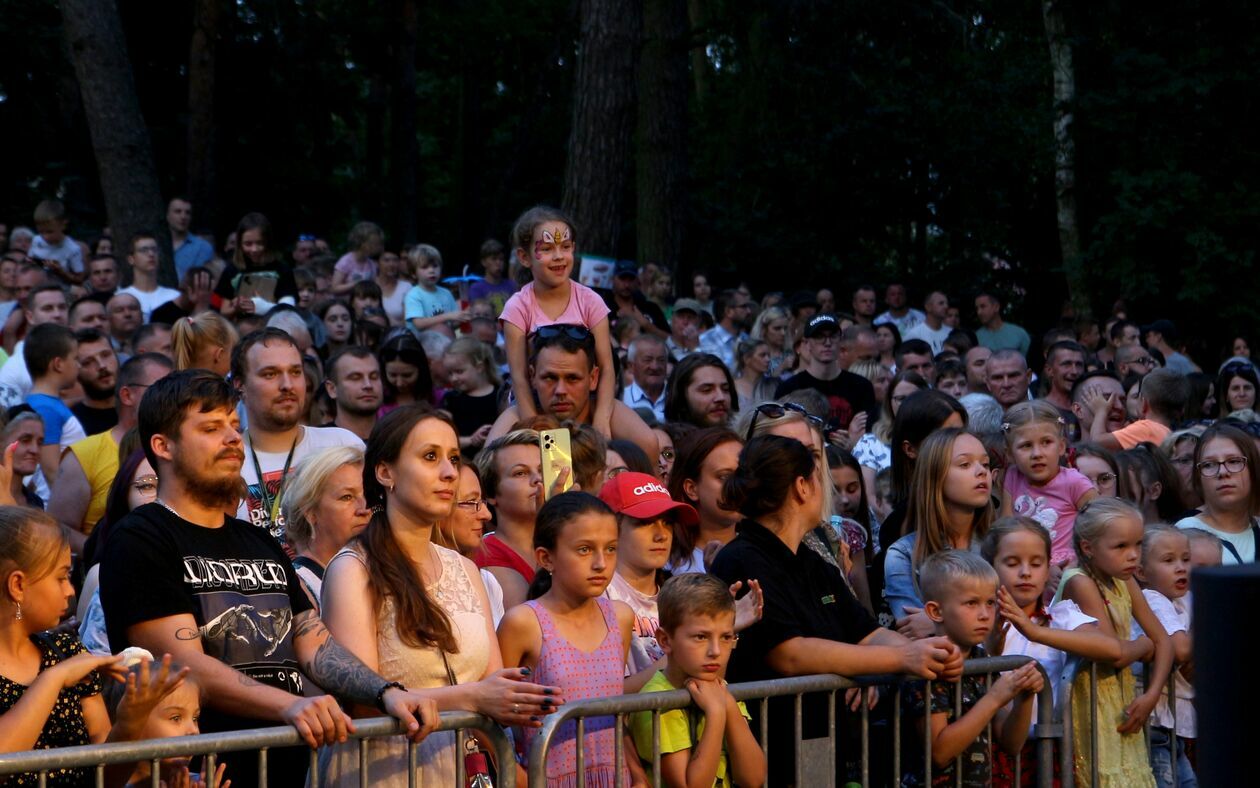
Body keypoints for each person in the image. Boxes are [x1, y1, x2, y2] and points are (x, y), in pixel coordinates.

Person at [100, 371, 441, 788]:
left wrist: (386, 692)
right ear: (162, 446)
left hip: (289, 768)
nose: (232, 438)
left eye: (233, 424)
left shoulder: (258, 539)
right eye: (211, 428)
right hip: (203, 775)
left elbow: (313, 642)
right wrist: (288, 705)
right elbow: (183, 664)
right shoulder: (140, 538)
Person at [709, 434, 963, 786]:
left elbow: (867, 632)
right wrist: (904, 658)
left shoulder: (812, 561)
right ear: (802, 487)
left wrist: (931, 652)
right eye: (819, 478)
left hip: (821, 745)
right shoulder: (742, 559)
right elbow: (789, 653)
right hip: (767, 751)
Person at [317, 407, 552, 787]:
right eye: (430, 457)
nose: (449, 473)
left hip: (460, 769)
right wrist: (472, 698)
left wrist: (519, 699)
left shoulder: (467, 569)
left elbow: (490, 683)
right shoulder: (353, 569)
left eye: (454, 459)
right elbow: (363, 704)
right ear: (385, 472)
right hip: (382, 772)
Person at [0, 507, 193, 785]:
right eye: (61, 577)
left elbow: (107, 778)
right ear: (17, 584)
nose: (70, 590)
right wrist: (54, 678)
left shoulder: (66, 651)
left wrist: (129, 722)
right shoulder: (65, 666)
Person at [496, 492, 637, 788]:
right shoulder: (524, 623)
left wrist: (637, 774)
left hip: (614, 777)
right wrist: (521, 778)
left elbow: (617, 710)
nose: (601, 563)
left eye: (611, 549)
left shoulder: (620, 617)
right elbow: (491, 717)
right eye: (584, 550)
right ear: (546, 558)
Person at [984, 517, 1137, 785]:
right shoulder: (980, 622)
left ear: (1048, 569)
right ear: (990, 568)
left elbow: (1111, 648)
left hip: (1050, 750)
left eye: (1036, 563)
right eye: (1012, 563)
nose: (1025, 572)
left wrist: (1033, 631)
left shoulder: (1061, 616)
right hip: (994, 752)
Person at [1053, 498, 1172, 788]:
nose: (1133, 555)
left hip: (1120, 697)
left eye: (1138, 544)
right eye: (1120, 546)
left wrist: (1152, 695)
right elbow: (1115, 653)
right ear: (1088, 548)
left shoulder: (1124, 579)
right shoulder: (1080, 582)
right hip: (1089, 701)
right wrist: (1143, 645)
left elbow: (1164, 641)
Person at [901, 550, 1043, 788]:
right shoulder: (926, 663)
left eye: (990, 603)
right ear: (936, 612)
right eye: (971, 603)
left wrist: (1024, 698)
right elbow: (940, 753)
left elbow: (1010, 743)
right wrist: (994, 698)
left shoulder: (981, 659)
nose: (985, 615)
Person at [628, 574, 766, 788]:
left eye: (726, 637)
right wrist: (717, 713)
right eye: (701, 637)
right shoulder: (657, 701)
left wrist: (728, 705)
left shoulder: (720, 690)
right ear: (665, 640)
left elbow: (754, 779)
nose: (716, 651)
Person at [234, 328, 364, 542]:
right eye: (270, 374)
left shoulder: (342, 444)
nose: (287, 385)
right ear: (240, 385)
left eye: (295, 372)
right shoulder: (227, 460)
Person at [499, 208, 618, 436]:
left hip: (587, 402)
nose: (558, 256)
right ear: (524, 257)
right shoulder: (517, 308)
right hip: (533, 403)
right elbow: (519, 377)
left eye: (565, 247)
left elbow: (607, 368)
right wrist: (535, 426)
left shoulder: (591, 301)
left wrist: (601, 420)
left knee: (648, 442)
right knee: (492, 451)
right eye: (546, 249)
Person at [49, 353, 173, 550]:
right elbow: (57, 526)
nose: (172, 398)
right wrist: (107, 553)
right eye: (160, 388)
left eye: (174, 390)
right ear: (127, 395)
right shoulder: (85, 454)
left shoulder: (182, 449)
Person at [485, 322, 658, 459]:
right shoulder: (514, 419)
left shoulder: (614, 418)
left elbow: (650, 451)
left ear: (593, 378)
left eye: (572, 378)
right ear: (532, 376)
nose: (560, 390)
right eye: (550, 378)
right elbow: (487, 468)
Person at [884, 428, 995, 636]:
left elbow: (1016, 622)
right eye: (965, 464)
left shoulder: (1002, 544)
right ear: (935, 477)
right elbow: (914, 630)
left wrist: (939, 623)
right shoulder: (903, 554)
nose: (982, 471)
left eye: (986, 464)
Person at [595, 471, 699, 678]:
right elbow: (610, 692)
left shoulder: (682, 594)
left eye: (667, 522)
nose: (661, 535)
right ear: (610, 529)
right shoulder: (599, 596)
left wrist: (725, 628)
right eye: (645, 522)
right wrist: (677, 661)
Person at [1133, 525, 1197, 788]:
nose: (1181, 568)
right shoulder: (1152, 598)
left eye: (1186, 559)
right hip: (1155, 722)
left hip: (1174, 722)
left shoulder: (1184, 598)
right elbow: (1181, 649)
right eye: (1169, 561)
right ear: (1141, 572)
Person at [1000, 401, 1098, 571]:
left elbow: (1101, 528)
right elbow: (1005, 529)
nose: (1037, 454)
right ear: (1009, 454)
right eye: (1026, 445)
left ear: (1061, 446)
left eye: (1046, 442)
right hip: (1025, 564)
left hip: (1068, 569)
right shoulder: (1013, 476)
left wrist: (1077, 565)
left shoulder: (1075, 482)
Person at [281, 446, 371, 610]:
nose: (364, 508)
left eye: (369, 495)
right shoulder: (297, 590)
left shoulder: (382, 573)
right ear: (310, 512)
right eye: (347, 497)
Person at [474, 429, 546, 609]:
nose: (538, 479)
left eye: (542, 470)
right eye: (520, 473)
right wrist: (551, 522)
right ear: (491, 494)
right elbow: (535, 617)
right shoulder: (487, 555)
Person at [431, 462, 506, 626]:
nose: (486, 515)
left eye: (482, 501)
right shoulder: (409, 582)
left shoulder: (487, 581)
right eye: (471, 502)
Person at [1175, 422, 1260, 564]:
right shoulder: (1183, 533)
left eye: (1233, 461)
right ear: (1198, 477)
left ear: (1252, 470)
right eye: (1209, 464)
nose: (1222, 472)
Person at [775, 313, 876, 431]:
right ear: (807, 344)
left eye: (833, 336)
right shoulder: (788, 388)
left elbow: (869, 433)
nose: (827, 342)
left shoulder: (862, 387)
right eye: (819, 337)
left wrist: (853, 440)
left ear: (840, 341)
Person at [666, 427, 742, 574]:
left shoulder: (764, 553)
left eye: (743, 475)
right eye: (724, 477)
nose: (738, 486)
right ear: (691, 489)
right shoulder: (664, 561)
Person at [23, 323, 84, 482]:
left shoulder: (47, 405)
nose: (79, 365)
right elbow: (51, 470)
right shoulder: (46, 409)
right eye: (75, 358)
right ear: (58, 364)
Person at [215, 213, 298, 318]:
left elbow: (288, 309)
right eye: (248, 244)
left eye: (260, 243)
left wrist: (262, 307)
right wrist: (237, 307)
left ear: (268, 242)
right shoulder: (232, 270)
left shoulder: (282, 269)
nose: (254, 249)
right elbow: (222, 310)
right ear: (240, 244)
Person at [0, 283, 70, 407]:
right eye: (48, 309)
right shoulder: (16, 368)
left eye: (62, 307)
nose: (57, 314)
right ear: (30, 317)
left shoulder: (79, 353)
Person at [1087, 367, 1188, 451]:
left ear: (1144, 404)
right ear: (1181, 410)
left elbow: (1097, 442)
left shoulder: (1146, 428)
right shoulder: (1170, 433)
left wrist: (1100, 411)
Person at [439, 337, 500, 453]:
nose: (453, 378)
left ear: (479, 367)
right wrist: (471, 440)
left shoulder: (500, 395)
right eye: (450, 373)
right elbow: (442, 437)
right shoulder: (451, 400)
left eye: (459, 371)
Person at [322, 347, 382, 442]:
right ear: (332, 389)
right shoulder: (317, 443)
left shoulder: (399, 439)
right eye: (355, 378)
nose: (368, 385)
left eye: (374, 377)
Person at [663, 353, 738, 428]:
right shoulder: (662, 435)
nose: (721, 397)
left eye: (725, 389)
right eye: (707, 390)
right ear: (681, 398)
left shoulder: (739, 434)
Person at [403, 244, 463, 337]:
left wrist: (464, 316)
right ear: (413, 273)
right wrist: (448, 316)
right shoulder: (413, 295)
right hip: (421, 343)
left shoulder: (446, 293)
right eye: (425, 267)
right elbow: (419, 324)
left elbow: (453, 323)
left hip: (447, 341)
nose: (431, 270)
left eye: (435, 266)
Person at [118, 232, 181, 322]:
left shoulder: (174, 297)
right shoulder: (121, 297)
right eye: (144, 250)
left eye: (154, 250)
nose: (151, 254)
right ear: (131, 259)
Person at [601, 259, 669, 338]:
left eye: (631, 279)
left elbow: (670, 340)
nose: (626, 285)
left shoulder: (651, 308)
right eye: (622, 279)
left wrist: (645, 324)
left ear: (637, 281)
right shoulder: (603, 309)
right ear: (613, 279)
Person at [70, 329, 119, 435]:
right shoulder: (72, 423)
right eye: (88, 362)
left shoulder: (141, 410)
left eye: (105, 355)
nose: (102, 366)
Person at [28, 199, 85, 286]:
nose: (45, 237)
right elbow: (29, 261)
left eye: (49, 232)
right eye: (41, 232)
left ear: (63, 225)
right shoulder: (36, 240)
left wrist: (61, 272)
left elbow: (79, 279)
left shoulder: (72, 249)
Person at [697, 289, 752, 370]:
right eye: (743, 307)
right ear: (728, 311)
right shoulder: (704, 340)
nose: (749, 311)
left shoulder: (747, 339)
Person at [0, 409, 45, 508]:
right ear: (1, 442)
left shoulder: (36, 503)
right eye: (25, 440)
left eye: (40, 443)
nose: (35, 450)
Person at [171, 311, 238, 375]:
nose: (234, 361)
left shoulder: (169, 382)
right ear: (219, 355)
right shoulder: (226, 383)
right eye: (232, 354)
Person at [379, 332, 434, 409]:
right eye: (393, 375)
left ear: (421, 370)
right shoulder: (377, 399)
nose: (399, 383)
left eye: (407, 375)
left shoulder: (440, 399)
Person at [621, 333, 668, 423]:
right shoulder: (621, 399)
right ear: (631, 366)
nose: (655, 367)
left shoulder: (678, 397)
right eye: (648, 360)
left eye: (661, 360)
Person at [168, 197, 214, 280]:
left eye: (187, 213)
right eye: (178, 211)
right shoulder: (156, 244)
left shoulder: (203, 248)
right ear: (167, 215)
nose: (183, 217)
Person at [467, 238, 516, 316]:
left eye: (501, 259)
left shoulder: (512, 286)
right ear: (484, 262)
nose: (498, 263)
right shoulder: (476, 288)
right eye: (494, 259)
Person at [330, 221, 382, 295]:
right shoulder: (345, 262)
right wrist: (355, 284)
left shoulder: (371, 264)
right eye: (374, 244)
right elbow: (334, 288)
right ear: (362, 243)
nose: (377, 247)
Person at [749, 304, 794, 378]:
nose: (783, 333)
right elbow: (756, 381)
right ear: (764, 329)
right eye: (777, 328)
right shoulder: (754, 355)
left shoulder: (790, 353)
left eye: (785, 328)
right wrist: (781, 367)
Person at [732, 338, 778, 410]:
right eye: (762, 355)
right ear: (746, 359)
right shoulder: (733, 387)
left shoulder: (774, 385)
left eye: (768, 355)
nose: (768, 359)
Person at [1043, 340, 1087, 413]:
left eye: (1079, 365)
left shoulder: (1091, 410)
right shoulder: (1037, 411)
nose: (1074, 371)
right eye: (1067, 364)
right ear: (1049, 370)